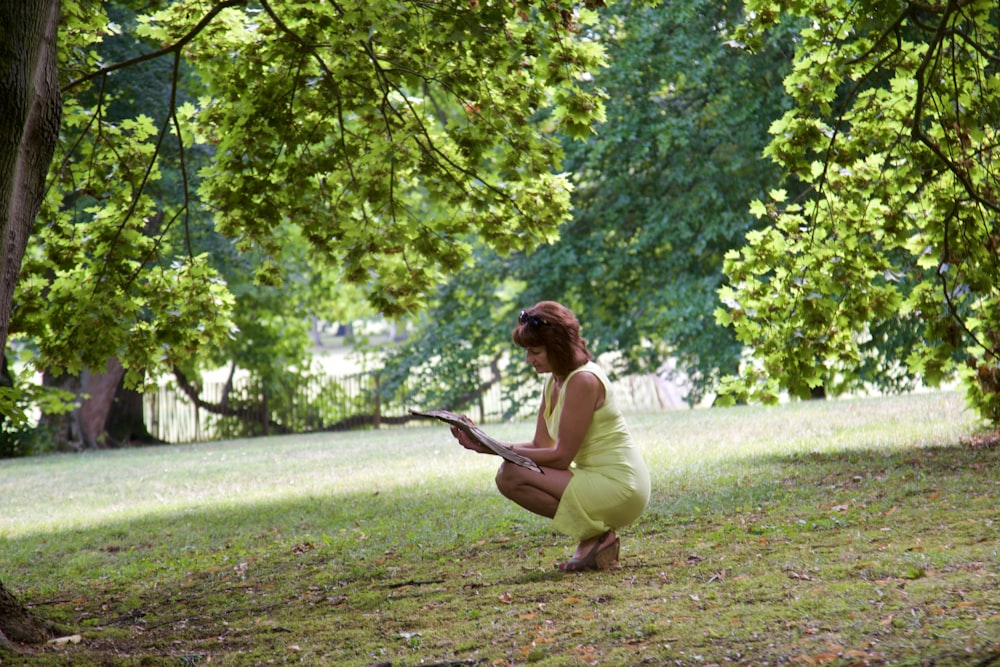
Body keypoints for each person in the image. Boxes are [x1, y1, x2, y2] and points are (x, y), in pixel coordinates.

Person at [451, 301, 651, 572]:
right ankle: (596, 539)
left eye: (535, 352)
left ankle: (597, 538)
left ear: (557, 347)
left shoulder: (583, 380)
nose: (528, 360)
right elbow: (540, 446)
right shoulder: (554, 381)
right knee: (508, 475)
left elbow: (559, 457)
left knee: (511, 474)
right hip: (595, 479)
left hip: (620, 486)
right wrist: (483, 441)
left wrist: (495, 449)